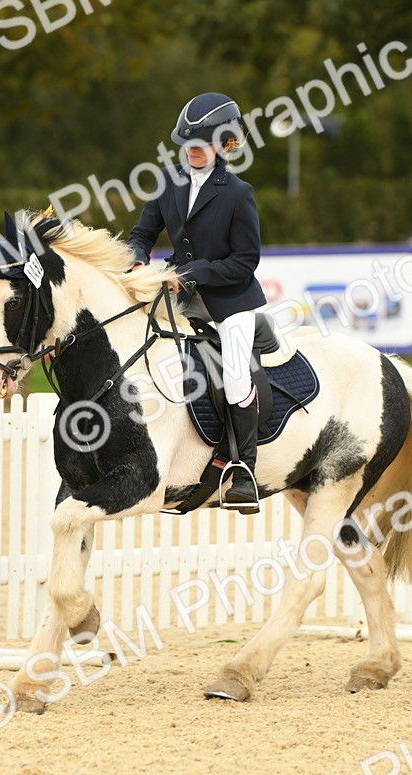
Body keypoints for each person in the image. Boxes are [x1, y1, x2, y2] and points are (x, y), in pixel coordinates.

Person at [128, 92, 266, 514]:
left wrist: (190, 275)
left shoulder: (238, 193)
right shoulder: (168, 181)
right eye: (188, 145)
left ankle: (244, 469)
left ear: (226, 144)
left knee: (237, 375)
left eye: (203, 144)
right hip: (181, 297)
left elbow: (245, 261)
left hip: (231, 300)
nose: (193, 152)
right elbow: (142, 234)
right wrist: (136, 261)